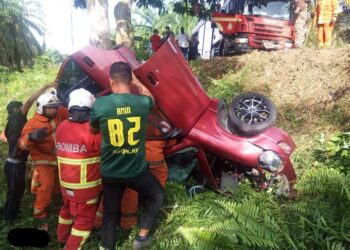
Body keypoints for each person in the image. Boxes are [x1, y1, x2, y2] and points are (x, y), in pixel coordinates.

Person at [90, 61, 164, 250]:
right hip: (136, 172)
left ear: (110, 80)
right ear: (130, 80)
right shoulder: (142, 103)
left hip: (110, 171)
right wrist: (139, 84)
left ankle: (108, 247)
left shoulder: (99, 104)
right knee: (157, 195)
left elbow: (93, 130)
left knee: (110, 211)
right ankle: (141, 239)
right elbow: (152, 100)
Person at [0, 82, 58, 222]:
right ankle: (9, 217)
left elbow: (6, 138)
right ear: (16, 110)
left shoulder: (11, 123)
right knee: (16, 192)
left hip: (13, 163)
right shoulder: (18, 118)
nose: (24, 109)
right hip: (15, 164)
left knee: (14, 191)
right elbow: (31, 100)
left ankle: (6, 212)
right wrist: (47, 86)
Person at [56, 88, 101, 250]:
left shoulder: (61, 127)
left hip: (65, 184)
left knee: (66, 211)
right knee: (84, 221)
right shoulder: (94, 129)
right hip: (86, 189)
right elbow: (105, 151)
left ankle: (61, 239)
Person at [120, 110, 176, 229]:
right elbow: (171, 142)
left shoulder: (128, 117)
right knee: (158, 187)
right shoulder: (160, 120)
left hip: (135, 161)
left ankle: (127, 223)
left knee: (131, 191)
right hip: (155, 162)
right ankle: (150, 210)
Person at [19, 89, 68, 223]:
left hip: (60, 157)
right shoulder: (32, 124)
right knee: (46, 186)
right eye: (50, 108)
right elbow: (22, 145)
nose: (53, 110)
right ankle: (39, 212)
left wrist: (65, 101)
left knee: (60, 183)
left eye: (55, 107)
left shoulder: (59, 113)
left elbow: (71, 112)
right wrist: (31, 137)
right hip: (44, 159)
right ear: (41, 107)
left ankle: (56, 202)